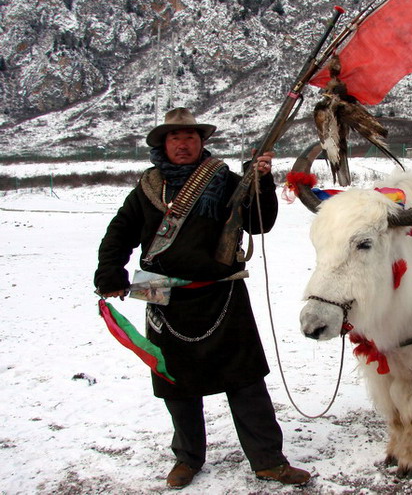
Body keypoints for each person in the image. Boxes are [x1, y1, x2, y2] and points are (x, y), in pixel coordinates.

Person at [94, 107, 310, 489]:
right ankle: (187, 459)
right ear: (163, 144)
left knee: (246, 382)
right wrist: (110, 272)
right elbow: (119, 233)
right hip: (162, 296)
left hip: (221, 293)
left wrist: (259, 182)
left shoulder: (226, 181)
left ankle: (268, 461)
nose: (183, 144)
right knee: (175, 384)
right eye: (175, 138)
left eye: (191, 137)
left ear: (201, 143)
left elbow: (260, 223)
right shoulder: (147, 187)